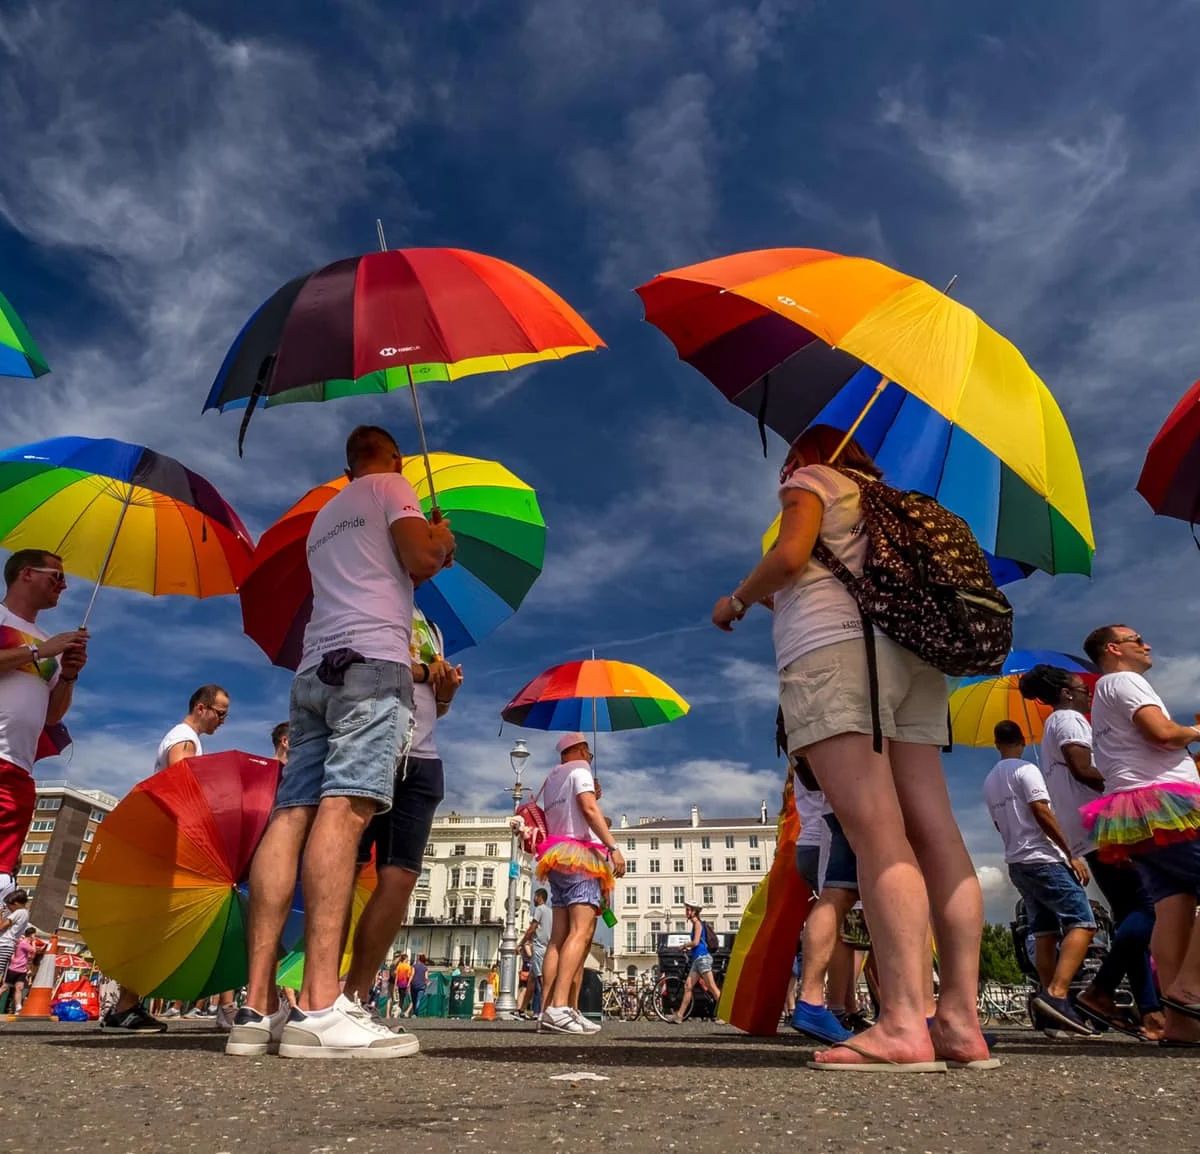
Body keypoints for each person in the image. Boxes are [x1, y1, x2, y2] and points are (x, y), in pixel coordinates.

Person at [711, 425, 988, 1070]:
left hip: (838, 656)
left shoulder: (811, 482)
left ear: (805, 455)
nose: (782, 469)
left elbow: (789, 556)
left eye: (787, 457)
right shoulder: (893, 504)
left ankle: (900, 1026)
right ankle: (959, 1023)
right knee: (938, 834)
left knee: (876, 831)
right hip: (914, 662)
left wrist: (736, 601)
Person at [230, 425, 454, 1059]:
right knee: (348, 804)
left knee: (291, 812)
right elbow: (416, 558)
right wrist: (439, 541)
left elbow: (382, 567)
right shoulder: (393, 486)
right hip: (370, 665)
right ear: (394, 459)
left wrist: (426, 547)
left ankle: (257, 1005)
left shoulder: (326, 515)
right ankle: (323, 1006)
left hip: (313, 670)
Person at [1019, 665, 1163, 1040]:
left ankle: (1150, 1011)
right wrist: (1131, 781)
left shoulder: (1056, 724)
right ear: (1066, 693)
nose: (1087, 693)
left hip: (1088, 829)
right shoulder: (1068, 720)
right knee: (1147, 909)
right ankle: (1099, 990)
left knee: (1131, 914)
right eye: (1081, 688)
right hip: (1105, 826)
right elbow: (1083, 770)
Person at [1081, 625, 1200, 1047]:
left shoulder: (1103, 692)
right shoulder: (1127, 681)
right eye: (1137, 640)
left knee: (1173, 906)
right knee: (1172, 905)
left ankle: (1181, 1022)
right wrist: (1194, 731)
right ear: (1114, 649)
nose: (1147, 645)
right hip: (1163, 804)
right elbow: (1163, 733)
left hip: (1135, 811)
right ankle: (1190, 989)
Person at [342, 605, 461, 1010]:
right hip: (371, 741)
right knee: (345, 868)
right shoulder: (373, 598)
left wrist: (444, 694)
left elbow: (434, 705)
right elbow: (367, 663)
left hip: (423, 755)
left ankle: (355, 997)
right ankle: (316, 990)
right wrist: (428, 673)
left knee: (401, 876)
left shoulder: (433, 628)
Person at [983, 721, 1095, 1034]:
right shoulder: (1027, 770)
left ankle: (1048, 1005)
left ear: (997, 743)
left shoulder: (990, 781)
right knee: (1083, 922)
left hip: (1017, 862)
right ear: (1021, 739)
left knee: (1044, 930)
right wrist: (1070, 851)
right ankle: (1057, 994)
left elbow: (997, 824)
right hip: (1043, 858)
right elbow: (1041, 811)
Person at [0, 550, 87, 900]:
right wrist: (40, 651)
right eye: (56, 577)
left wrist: (68, 674)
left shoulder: (47, 641)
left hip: (19, 770)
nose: (63, 585)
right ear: (25, 573)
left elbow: (53, 715)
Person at [535, 732, 625, 1035]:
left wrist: (591, 797)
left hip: (556, 856)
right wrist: (613, 847)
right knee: (582, 930)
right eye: (589, 754)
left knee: (557, 938)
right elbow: (587, 810)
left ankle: (549, 1010)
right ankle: (562, 1006)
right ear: (581, 749)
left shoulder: (552, 779)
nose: (590, 759)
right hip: (581, 855)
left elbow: (568, 812)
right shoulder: (581, 770)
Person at [790, 753, 860, 1043]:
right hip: (827, 833)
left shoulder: (798, 755)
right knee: (847, 920)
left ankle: (838, 1005)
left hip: (810, 839)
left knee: (842, 913)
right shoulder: (823, 744)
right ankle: (836, 1007)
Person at [669, 901, 722, 1023]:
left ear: (695, 912)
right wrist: (690, 947)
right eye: (686, 909)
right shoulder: (695, 924)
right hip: (697, 960)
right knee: (688, 986)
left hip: (703, 959)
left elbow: (696, 942)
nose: (686, 912)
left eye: (689, 910)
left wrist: (684, 945)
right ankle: (679, 1016)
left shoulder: (697, 924)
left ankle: (725, 1015)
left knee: (712, 988)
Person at [155, 684, 230, 770]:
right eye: (220, 714)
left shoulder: (184, 735)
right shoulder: (185, 738)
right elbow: (182, 781)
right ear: (200, 709)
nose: (222, 721)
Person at [518, 888, 553, 1017]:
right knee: (531, 980)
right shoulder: (550, 912)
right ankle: (521, 1010)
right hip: (548, 948)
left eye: (535, 896)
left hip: (539, 948)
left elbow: (532, 928)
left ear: (539, 897)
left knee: (541, 980)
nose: (533, 899)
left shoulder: (540, 910)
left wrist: (521, 944)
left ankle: (546, 1010)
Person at [1, 925, 37, 1012]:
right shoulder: (24, 943)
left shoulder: (24, 943)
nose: (34, 937)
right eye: (34, 935)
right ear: (31, 935)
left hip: (22, 970)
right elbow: (33, 950)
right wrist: (34, 942)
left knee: (19, 988)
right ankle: (18, 1007)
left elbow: (31, 956)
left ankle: (18, 1007)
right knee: (5, 987)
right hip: (14, 969)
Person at [0, 888, 31, 989]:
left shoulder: (19, 912)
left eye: (9, 906)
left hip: (4, 944)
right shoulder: (25, 913)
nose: (9, 909)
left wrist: (0, 913)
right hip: (8, 945)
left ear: (16, 903)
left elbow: (1, 926)